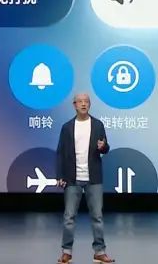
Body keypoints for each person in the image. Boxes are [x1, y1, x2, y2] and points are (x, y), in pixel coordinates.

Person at [56, 92, 115, 263]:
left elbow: (105, 148)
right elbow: (60, 153)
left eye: (86, 101)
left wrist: (103, 146)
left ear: (89, 105)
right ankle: (66, 252)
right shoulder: (67, 127)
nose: (83, 104)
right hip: (72, 178)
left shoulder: (98, 125)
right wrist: (60, 175)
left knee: (97, 216)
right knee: (69, 217)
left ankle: (99, 252)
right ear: (74, 105)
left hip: (93, 177)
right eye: (80, 101)